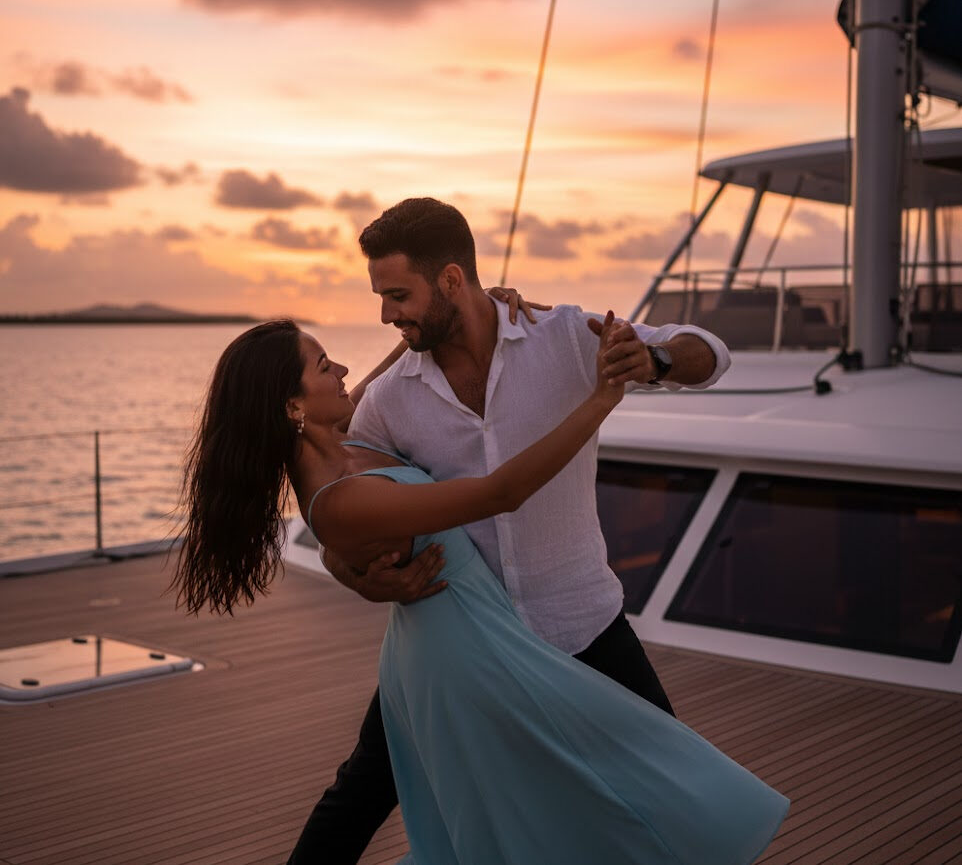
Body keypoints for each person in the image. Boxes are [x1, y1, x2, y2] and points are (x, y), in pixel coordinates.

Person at [174, 316, 787, 865]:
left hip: (457, 634)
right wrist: (602, 399)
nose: (342, 369)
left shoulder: (346, 444)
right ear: (290, 407)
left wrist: (455, 319)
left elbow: (378, 380)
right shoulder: (341, 495)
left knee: (588, 779)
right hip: (464, 653)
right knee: (612, 780)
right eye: (322, 364)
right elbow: (500, 493)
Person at [290, 197, 734, 863]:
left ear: (449, 281)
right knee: (360, 792)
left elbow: (711, 353)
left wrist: (655, 364)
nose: (387, 313)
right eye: (381, 297)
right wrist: (359, 576)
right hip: (462, 641)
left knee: (672, 794)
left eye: (398, 294)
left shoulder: (564, 339)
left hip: (581, 623)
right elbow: (341, 517)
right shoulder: (387, 403)